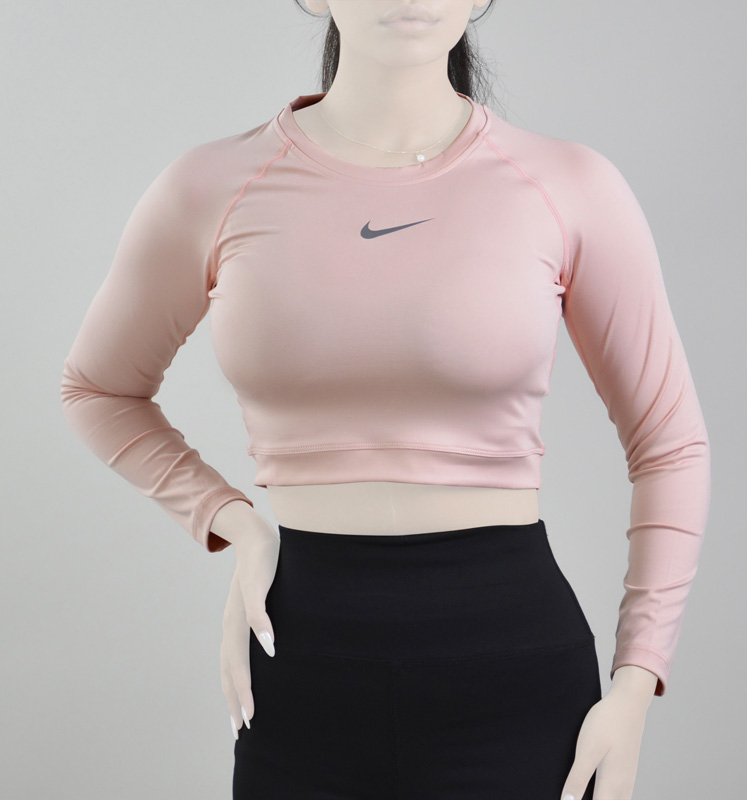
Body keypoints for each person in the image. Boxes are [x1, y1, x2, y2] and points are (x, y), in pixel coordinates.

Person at [60, 2, 711, 799]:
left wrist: (636, 683)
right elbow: (97, 388)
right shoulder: (213, 186)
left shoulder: (566, 186)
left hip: (514, 674)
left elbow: (669, 443)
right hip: (301, 667)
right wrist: (231, 519)